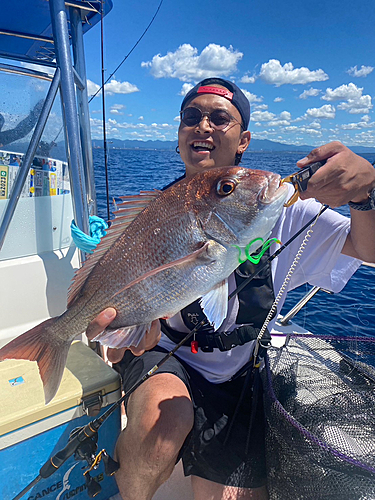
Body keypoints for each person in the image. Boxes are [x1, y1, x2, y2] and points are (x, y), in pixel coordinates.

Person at [85, 78, 375, 500]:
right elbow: (120, 317)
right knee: (161, 430)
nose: (203, 125)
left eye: (220, 118)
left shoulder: (282, 210)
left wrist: (366, 194)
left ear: (244, 140)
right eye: (191, 117)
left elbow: (369, 249)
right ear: (180, 136)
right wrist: (126, 335)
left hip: (239, 370)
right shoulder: (151, 217)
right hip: (166, 354)